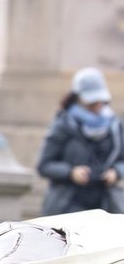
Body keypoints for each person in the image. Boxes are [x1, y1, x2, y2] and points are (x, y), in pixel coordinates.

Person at [37, 67, 124, 215]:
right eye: (91, 101)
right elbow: (44, 165)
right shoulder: (63, 125)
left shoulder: (115, 126)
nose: (96, 105)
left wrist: (116, 172)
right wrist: (71, 172)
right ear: (77, 97)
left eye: (99, 100)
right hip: (68, 206)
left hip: (106, 205)